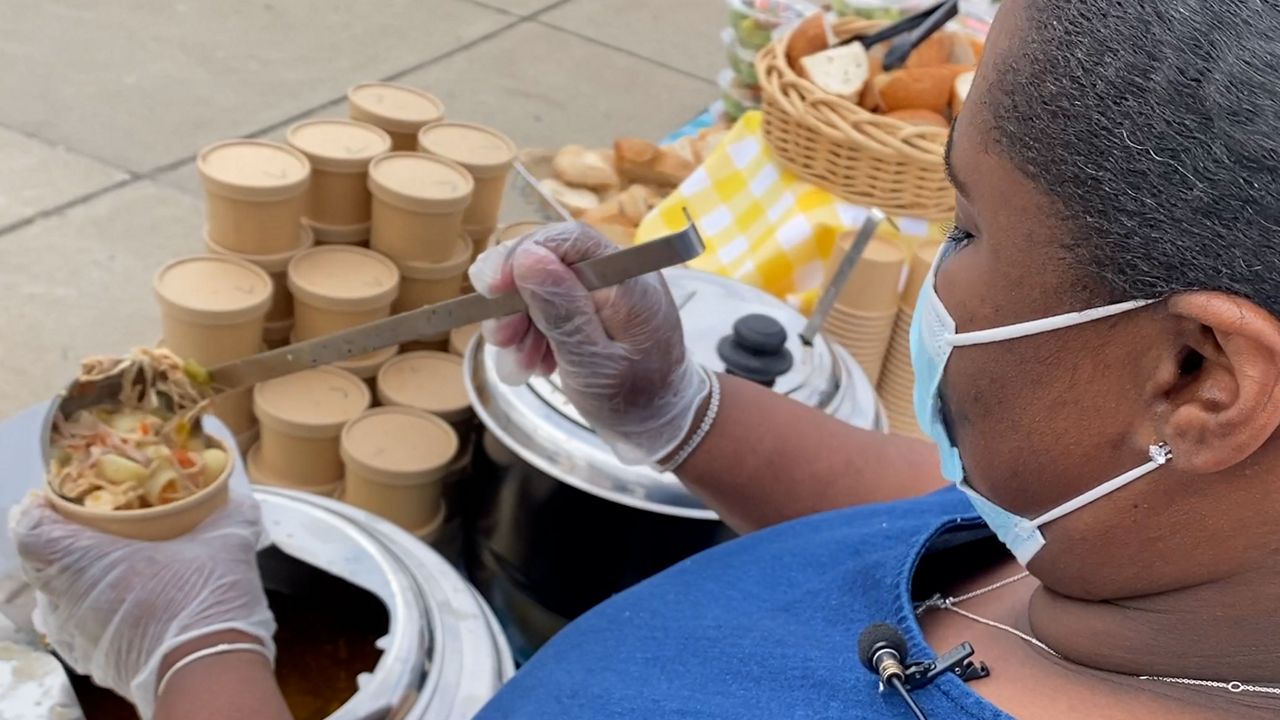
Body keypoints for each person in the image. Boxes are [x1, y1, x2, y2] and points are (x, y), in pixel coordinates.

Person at [12, 0, 1280, 717]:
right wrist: (683, 415)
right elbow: (941, 524)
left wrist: (198, 656)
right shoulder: (1145, 551)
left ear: (1197, 379)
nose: (940, 265)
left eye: (964, 222)